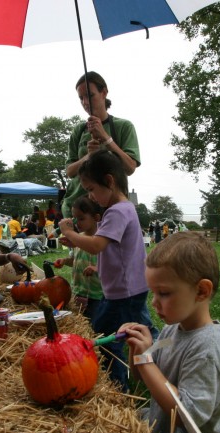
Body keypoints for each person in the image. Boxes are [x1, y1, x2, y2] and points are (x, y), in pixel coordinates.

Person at [119, 232, 220, 433]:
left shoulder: (207, 347)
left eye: (164, 293)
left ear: (201, 291)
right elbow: (140, 376)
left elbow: (186, 415)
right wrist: (140, 350)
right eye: (153, 292)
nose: (154, 302)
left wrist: (147, 362)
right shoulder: (171, 332)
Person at [58, 150, 157, 392]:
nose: (90, 196)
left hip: (124, 291)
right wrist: (75, 240)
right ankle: (163, 352)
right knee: (141, 329)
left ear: (109, 181)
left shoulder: (117, 211)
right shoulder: (123, 209)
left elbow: (97, 244)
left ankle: (118, 387)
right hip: (127, 289)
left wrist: (70, 232)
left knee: (105, 335)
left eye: (91, 189)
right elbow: (99, 239)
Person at [62, 71, 141, 219]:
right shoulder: (79, 131)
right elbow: (70, 171)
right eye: (81, 98)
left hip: (110, 211)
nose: (85, 102)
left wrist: (106, 138)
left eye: (90, 95)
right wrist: (88, 156)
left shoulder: (124, 126)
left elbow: (130, 167)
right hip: (77, 212)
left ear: (104, 92)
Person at [54, 195, 104, 320]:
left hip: (97, 295)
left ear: (96, 218)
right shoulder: (78, 238)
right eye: (75, 218)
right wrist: (65, 261)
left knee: (96, 326)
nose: (77, 223)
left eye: (81, 218)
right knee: (82, 323)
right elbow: (75, 259)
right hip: (78, 292)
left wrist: (97, 267)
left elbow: (113, 263)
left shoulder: (101, 240)